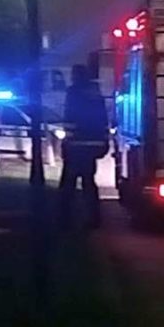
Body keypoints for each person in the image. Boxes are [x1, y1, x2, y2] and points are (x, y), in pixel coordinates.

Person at [58, 64, 110, 229]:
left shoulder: (73, 93)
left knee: (68, 184)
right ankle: (94, 218)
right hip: (92, 147)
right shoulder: (96, 94)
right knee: (89, 183)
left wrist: (66, 142)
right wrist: (103, 142)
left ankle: (65, 219)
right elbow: (103, 120)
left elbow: (69, 120)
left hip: (76, 146)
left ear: (76, 76)